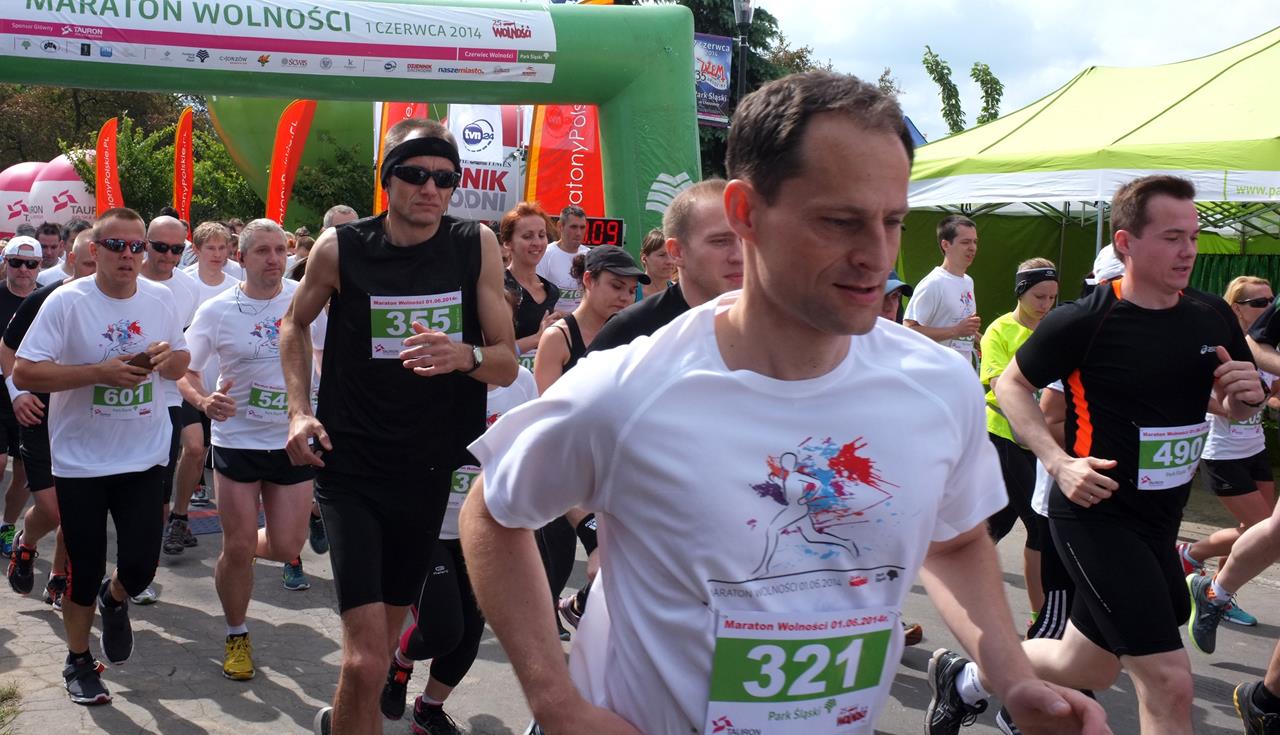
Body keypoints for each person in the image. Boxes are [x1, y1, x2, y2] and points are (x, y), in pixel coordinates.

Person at [460, 70, 1106, 735]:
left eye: (892, 221)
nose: (877, 255)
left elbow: (958, 541)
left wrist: (1014, 678)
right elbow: (492, 510)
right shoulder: (633, 388)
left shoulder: (937, 385)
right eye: (840, 221)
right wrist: (557, 704)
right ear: (745, 213)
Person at [941, 175, 1264, 735]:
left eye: (1192, 236)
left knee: (1086, 663)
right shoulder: (1085, 319)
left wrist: (1243, 400)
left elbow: (1232, 404)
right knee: (1169, 681)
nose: (1187, 251)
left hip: (1161, 518)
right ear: (1125, 243)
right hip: (1096, 511)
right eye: (1171, 237)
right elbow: (1011, 385)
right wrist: (1056, 460)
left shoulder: (1211, 315)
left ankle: (966, 679)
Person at [279, 117, 516, 735]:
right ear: (387, 180)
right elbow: (294, 323)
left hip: (428, 470)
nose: (430, 188)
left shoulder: (475, 245)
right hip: (352, 466)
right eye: (414, 174)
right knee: (362, 660)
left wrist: (463, 355)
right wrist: (299, 410)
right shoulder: (341, 248)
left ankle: (343, 722)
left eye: (445, 177)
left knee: (377, 657)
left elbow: (506, 362)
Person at [13, 207, 190, 706]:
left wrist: (167, 360)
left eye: (137, 246)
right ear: (94, 249)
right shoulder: (66, 301)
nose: (128, 255)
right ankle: (78, 660)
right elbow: (25, 372)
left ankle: (116, 601)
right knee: (83, 571)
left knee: (141, 569)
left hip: (144, 455)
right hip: (81, 461)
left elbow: (182, 361)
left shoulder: (161, 298)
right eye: (116, 245)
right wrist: (99, 373)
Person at [380, 284, 540, 734]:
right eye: (483, 320)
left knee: (469, 634)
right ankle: (400, 661)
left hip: (484, 530)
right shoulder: (431, 370)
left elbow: (530, 452)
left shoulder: (521, 383)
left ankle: (429, 709)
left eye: (502, 321)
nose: (491, 329)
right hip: (428, 524)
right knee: (442, 629)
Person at [178, 218, 315, 681]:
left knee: (287, 545)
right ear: (242, 257)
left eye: (280, 250)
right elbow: (185, 370)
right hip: (237, 439)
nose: (274, 259)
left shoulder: (306, 299)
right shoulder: (217, 310)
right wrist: (203, 401)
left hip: (290, 438)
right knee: (237, 547)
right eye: (263, 251)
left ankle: (241, 550)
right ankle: (236, 633)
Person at [1175, 275, 1277, 628]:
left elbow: (1271, 393)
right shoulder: (1218, 344)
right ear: (1237, 308)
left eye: (1271, 301)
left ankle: (1219, 593)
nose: (1268, 307)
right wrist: (1233, 408)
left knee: (1252, 528)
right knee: (1264, 529)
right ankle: (1191, 554)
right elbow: (1195, 391)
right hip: (1222, 451)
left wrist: (1265, 401)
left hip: (1255, 447)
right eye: (1259, 303)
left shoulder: (1268, 349)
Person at [3, 231, 95, 605]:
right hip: (41, 417)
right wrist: (18, 393)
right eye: (88, 264)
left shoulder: (126, 302)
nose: (97, 272)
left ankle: (59, 574)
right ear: (71, 260)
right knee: (54, 509)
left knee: (78, 508)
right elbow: (7, 349)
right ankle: (26, 542)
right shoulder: (46, 298)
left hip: (91, 418)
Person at [980, 259, 1059, 614]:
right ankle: (1040, 616)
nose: (1046, 304)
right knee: (1039, 525)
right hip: (1003, 435)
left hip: (1043, 440)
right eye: (1039, 296)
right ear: (1021, 292)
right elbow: (1000, 386)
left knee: (1001, 518)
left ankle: (959, 568)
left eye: (1052, 297)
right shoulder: (999, 330)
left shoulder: (1055, 329)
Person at [588, 179, 742, 352]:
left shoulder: (763, 326)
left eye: (746, 240)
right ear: (676, 251)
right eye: (720, 241)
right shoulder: (630, 330)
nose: (740, 256)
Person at [169, 222, 242, 548]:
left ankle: (184, 515)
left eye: (222, 247)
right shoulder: (184, 285)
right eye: (210, 248)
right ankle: (178, 517)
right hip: (188, 381)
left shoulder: (238, 284)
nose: (217, 254)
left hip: (225, 386)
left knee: (206, 454)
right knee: (195, 448)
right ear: (196, 250)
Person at [142, 217, 200, 579]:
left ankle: (144, 570)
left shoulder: (187, 288)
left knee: (158, 483)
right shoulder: (126, 276)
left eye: (177, 249)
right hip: (114, 393)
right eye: (160, 247)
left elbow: (184, 347)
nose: (168, 256)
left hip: (167, 394)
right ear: (145, 244)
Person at [533, 246, 645, 393]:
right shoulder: (557, 338)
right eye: (616, 286)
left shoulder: (633, 337)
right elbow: (547, 403)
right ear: (589, 280)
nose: (625, 298)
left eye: (632, 291)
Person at [0, 236, 42, 558]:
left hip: (34, 392)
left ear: (39, 266)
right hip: (1, 390)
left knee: (24, 472)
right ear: (6, 263)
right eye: (16, 262)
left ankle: (7, 525)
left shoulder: (48, 298)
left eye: (30, 264)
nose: (23, 270)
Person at [904, 215, 981, 370]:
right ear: (945, 244)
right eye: (965, 242)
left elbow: (962, 327)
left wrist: (984, 342)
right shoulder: (933, 283)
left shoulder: (968, 281)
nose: (972, 247)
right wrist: (955, 331)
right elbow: (908, 330)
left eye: (975, 242)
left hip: (962, 370)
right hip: (934, 372)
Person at [501, 202, 562, 358]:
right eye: (527, 236)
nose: (537, 243)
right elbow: (494, 352)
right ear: (508, 243)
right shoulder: (499, 287)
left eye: (542, 235)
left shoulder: (551, 291)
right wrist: (537, 338)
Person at [536, 205, 589, 311]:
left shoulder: (589, 255)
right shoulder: (545, 255)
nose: (578, 233)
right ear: (560, 226)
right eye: (573, 227)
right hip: (553, 319)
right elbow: (537, 296)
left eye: (582, 227)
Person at [37, 220, 90, 286]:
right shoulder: (43, 278)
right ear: (63, 244)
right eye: (74, 241)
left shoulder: (98, 278)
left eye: (86, 241)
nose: (81, 246)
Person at [635, 228, 675, 301]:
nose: (670, 261)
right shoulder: (631, 292)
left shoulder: (680, 293)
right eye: (662, 255)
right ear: (644, 258)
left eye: (672, 254)